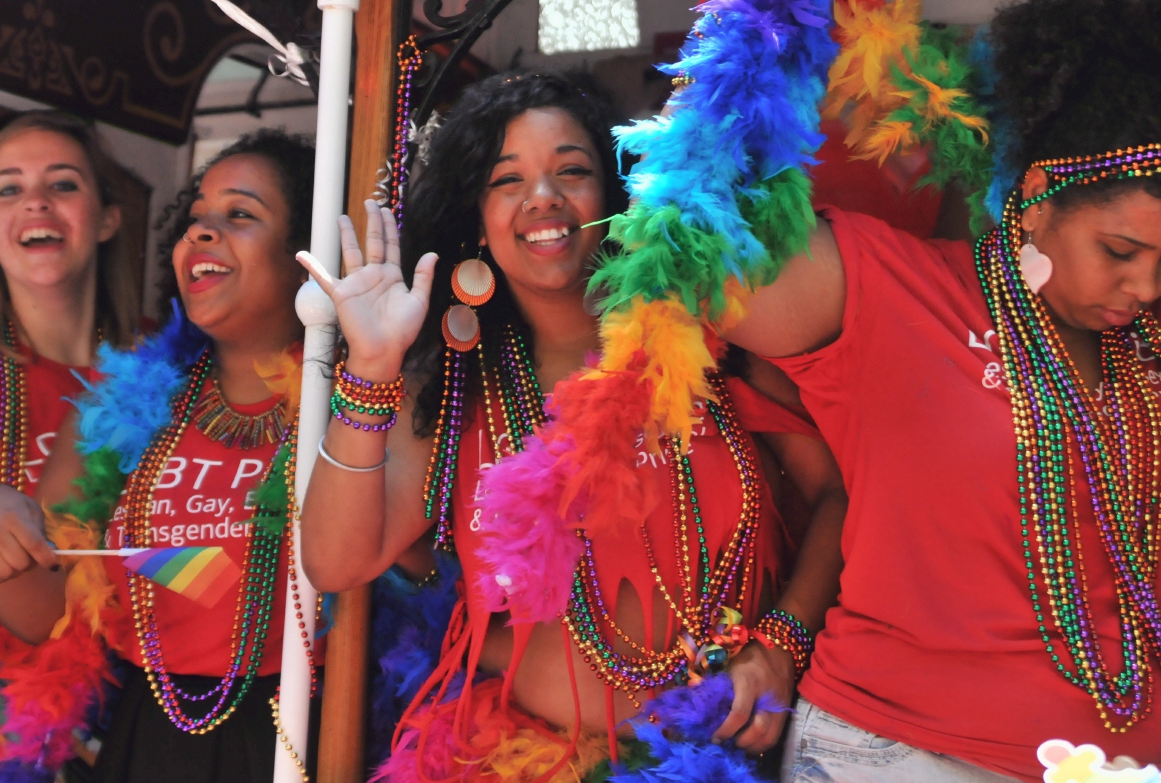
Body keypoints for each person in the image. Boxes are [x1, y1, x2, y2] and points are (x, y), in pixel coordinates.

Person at [709, 0, 1161, 780]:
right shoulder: (886, 288)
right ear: (1035, 198)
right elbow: (696, 250)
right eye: (1120, 249)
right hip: (904, 750)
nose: (1150, 285)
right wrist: (756, 17)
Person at [298, 71, 848, 779]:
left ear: (611, 195)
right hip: (525, 760)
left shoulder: (717, 332)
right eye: (508, 180)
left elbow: (836, 494)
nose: (543, 198)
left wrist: (782, 641)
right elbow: (337, 562)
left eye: (572, 171)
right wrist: (372, 367)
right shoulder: (451, 387)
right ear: (477, 216)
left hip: (729, 756)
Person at [0, 129, 319, 783]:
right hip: (145, 742)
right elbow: (49, 610)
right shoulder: (116, 405)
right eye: (195, 218)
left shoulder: (359, 404)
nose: (202, 232)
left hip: (305, 737)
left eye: (239, 214)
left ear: (306, 255)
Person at [0, 110, 139, 780]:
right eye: (9, 188)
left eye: (63, 184)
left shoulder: (163, 369)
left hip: (138, 705)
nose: (38, 202)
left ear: (107, 217)